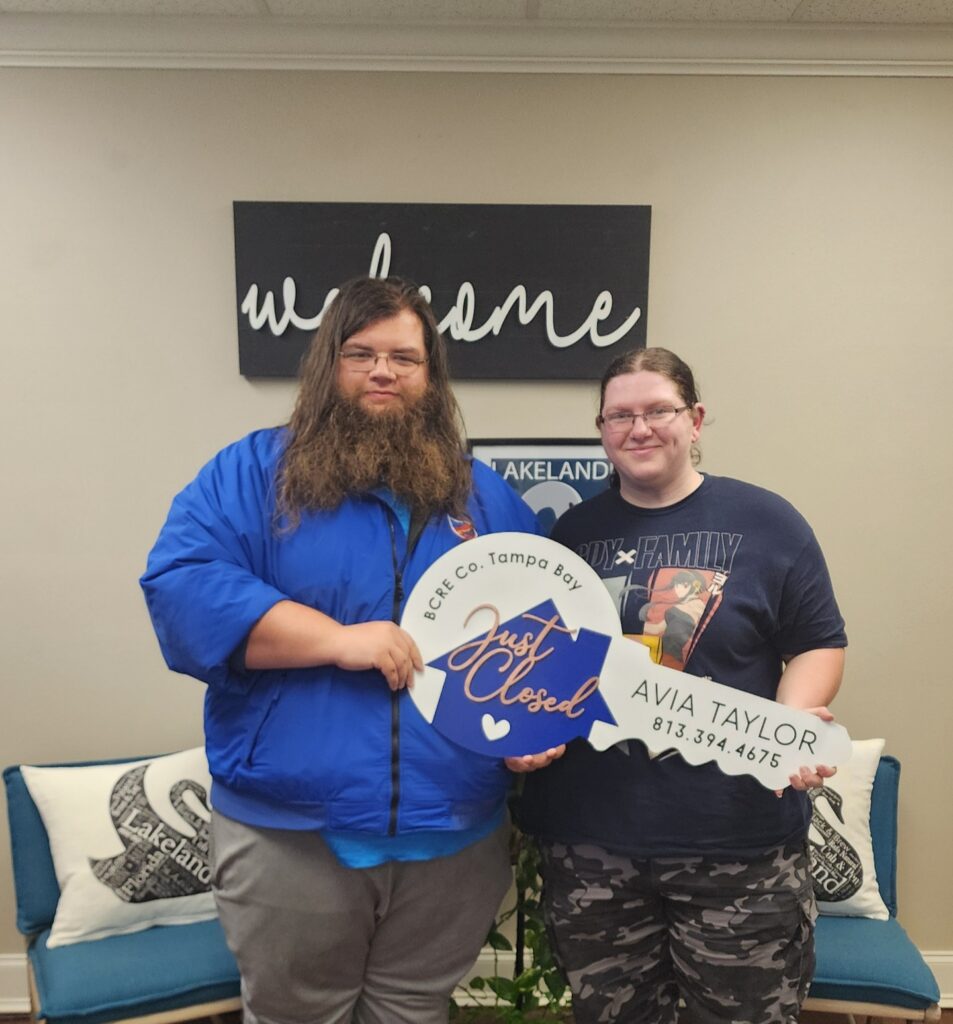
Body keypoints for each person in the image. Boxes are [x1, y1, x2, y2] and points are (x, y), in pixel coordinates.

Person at [141, 276, 561, 1024]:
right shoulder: (249, 476)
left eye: (404, 358)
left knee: (413, 1011)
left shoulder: (483, 497)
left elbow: (540, 631)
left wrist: (534, 728)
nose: (382, 372)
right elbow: (182, 587)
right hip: (290, 835)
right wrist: (333, 641)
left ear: (430, 377)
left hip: (453, 836)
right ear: (326, 364)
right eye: (360, 353)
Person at [519, 347, 847, 1024]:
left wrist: (788, 729)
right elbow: (541, 665)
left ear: (694, 420)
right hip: (592, 845)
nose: (638, 428)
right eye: (619, 415)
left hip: (737, 845)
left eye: (657, 411)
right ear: (601, 429)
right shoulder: (569, 537)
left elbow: (816, 640)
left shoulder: (767, 522)